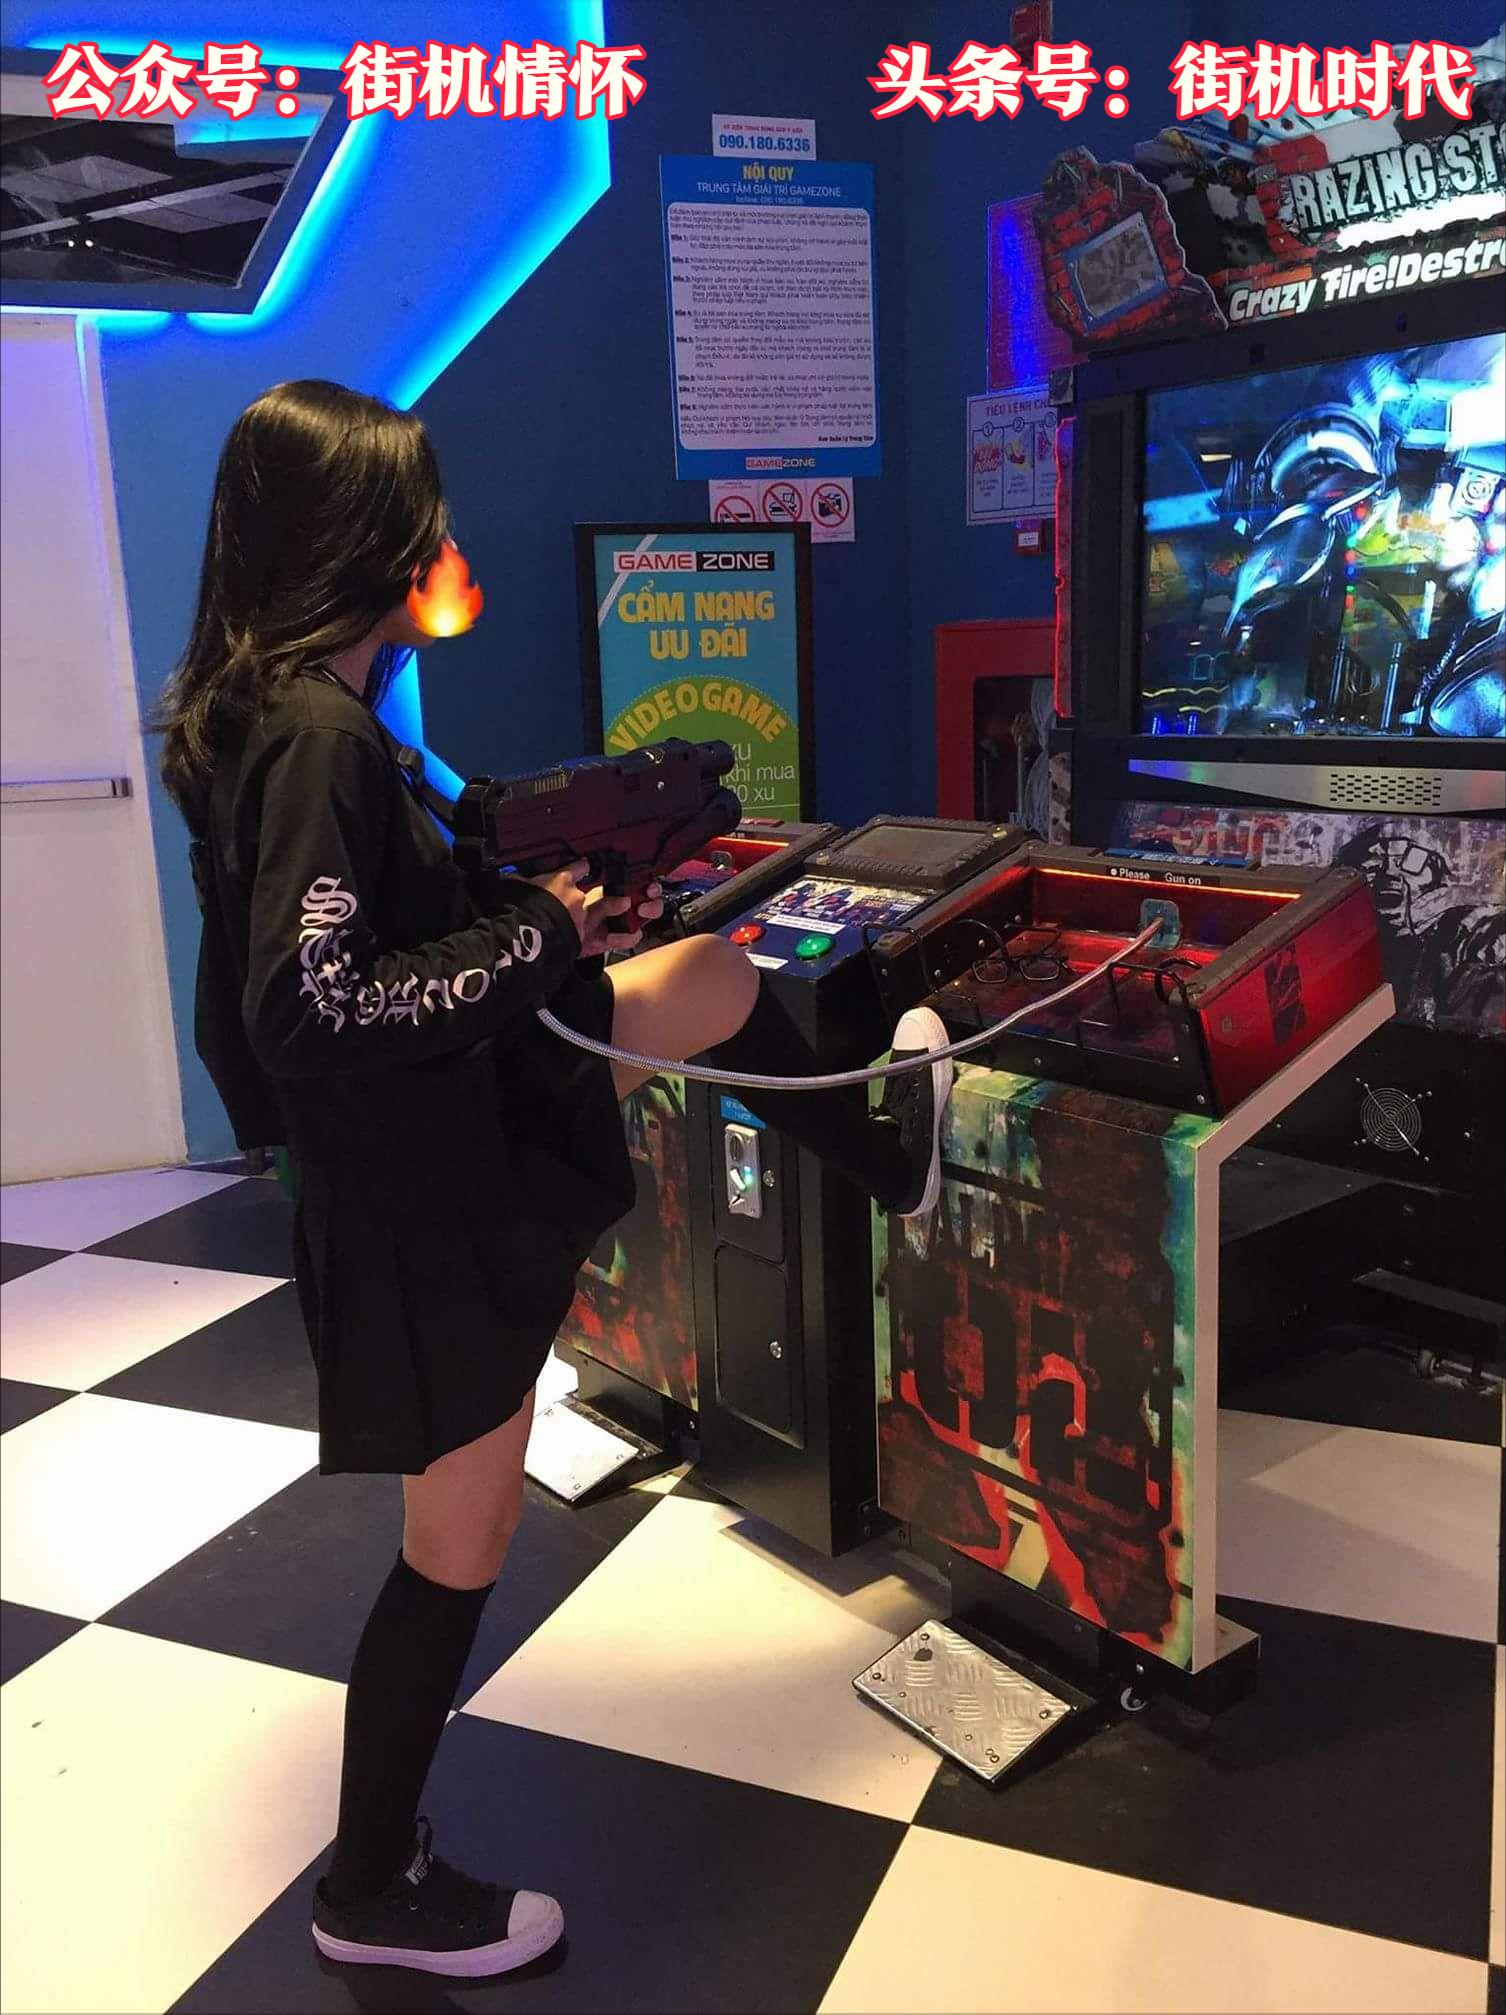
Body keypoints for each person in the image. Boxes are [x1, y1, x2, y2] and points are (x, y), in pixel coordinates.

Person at [157, 379, 951, 1983]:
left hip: (414, 1151)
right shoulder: (315, 732)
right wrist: (536, 937)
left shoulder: (276, 712)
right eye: (418, 519)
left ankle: (882, 1153)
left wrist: (550, 923)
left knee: (705, 977)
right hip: (419, 1187)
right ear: (358, 538)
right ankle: (370, 1890)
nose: (440, 545)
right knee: (454, 1546)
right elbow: (307, 1004)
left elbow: (342, 959)